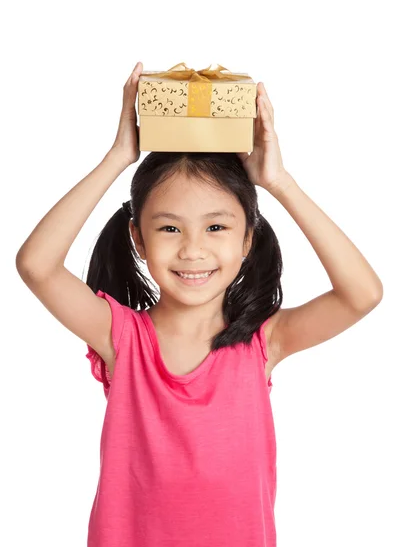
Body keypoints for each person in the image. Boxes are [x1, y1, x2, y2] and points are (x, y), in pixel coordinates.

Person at [15, 61, 383, 547]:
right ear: (138, 240)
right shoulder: (121, 337)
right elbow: (36, 265)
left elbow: (364, 294)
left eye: (216, 227)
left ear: (248, 239)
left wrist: (280, 182)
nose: (192, 250)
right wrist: (117, 157)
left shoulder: (262, 342)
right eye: (169, 228)